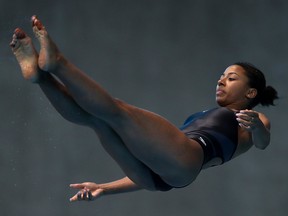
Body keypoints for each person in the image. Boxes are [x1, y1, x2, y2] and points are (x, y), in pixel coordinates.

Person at [10, 15, 278, 202]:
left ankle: (57, 63)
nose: (221, 80)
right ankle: (40, 78)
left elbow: (263, 142)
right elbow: (159, 163)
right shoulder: (214, 118)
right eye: (221, 75)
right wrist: (103, 188)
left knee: (117, 110)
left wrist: (257, 127)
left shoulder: (250, 120)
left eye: (231, 78)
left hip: (186, 161)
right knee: (97, 121)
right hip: (158, 177)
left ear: (250, 93)